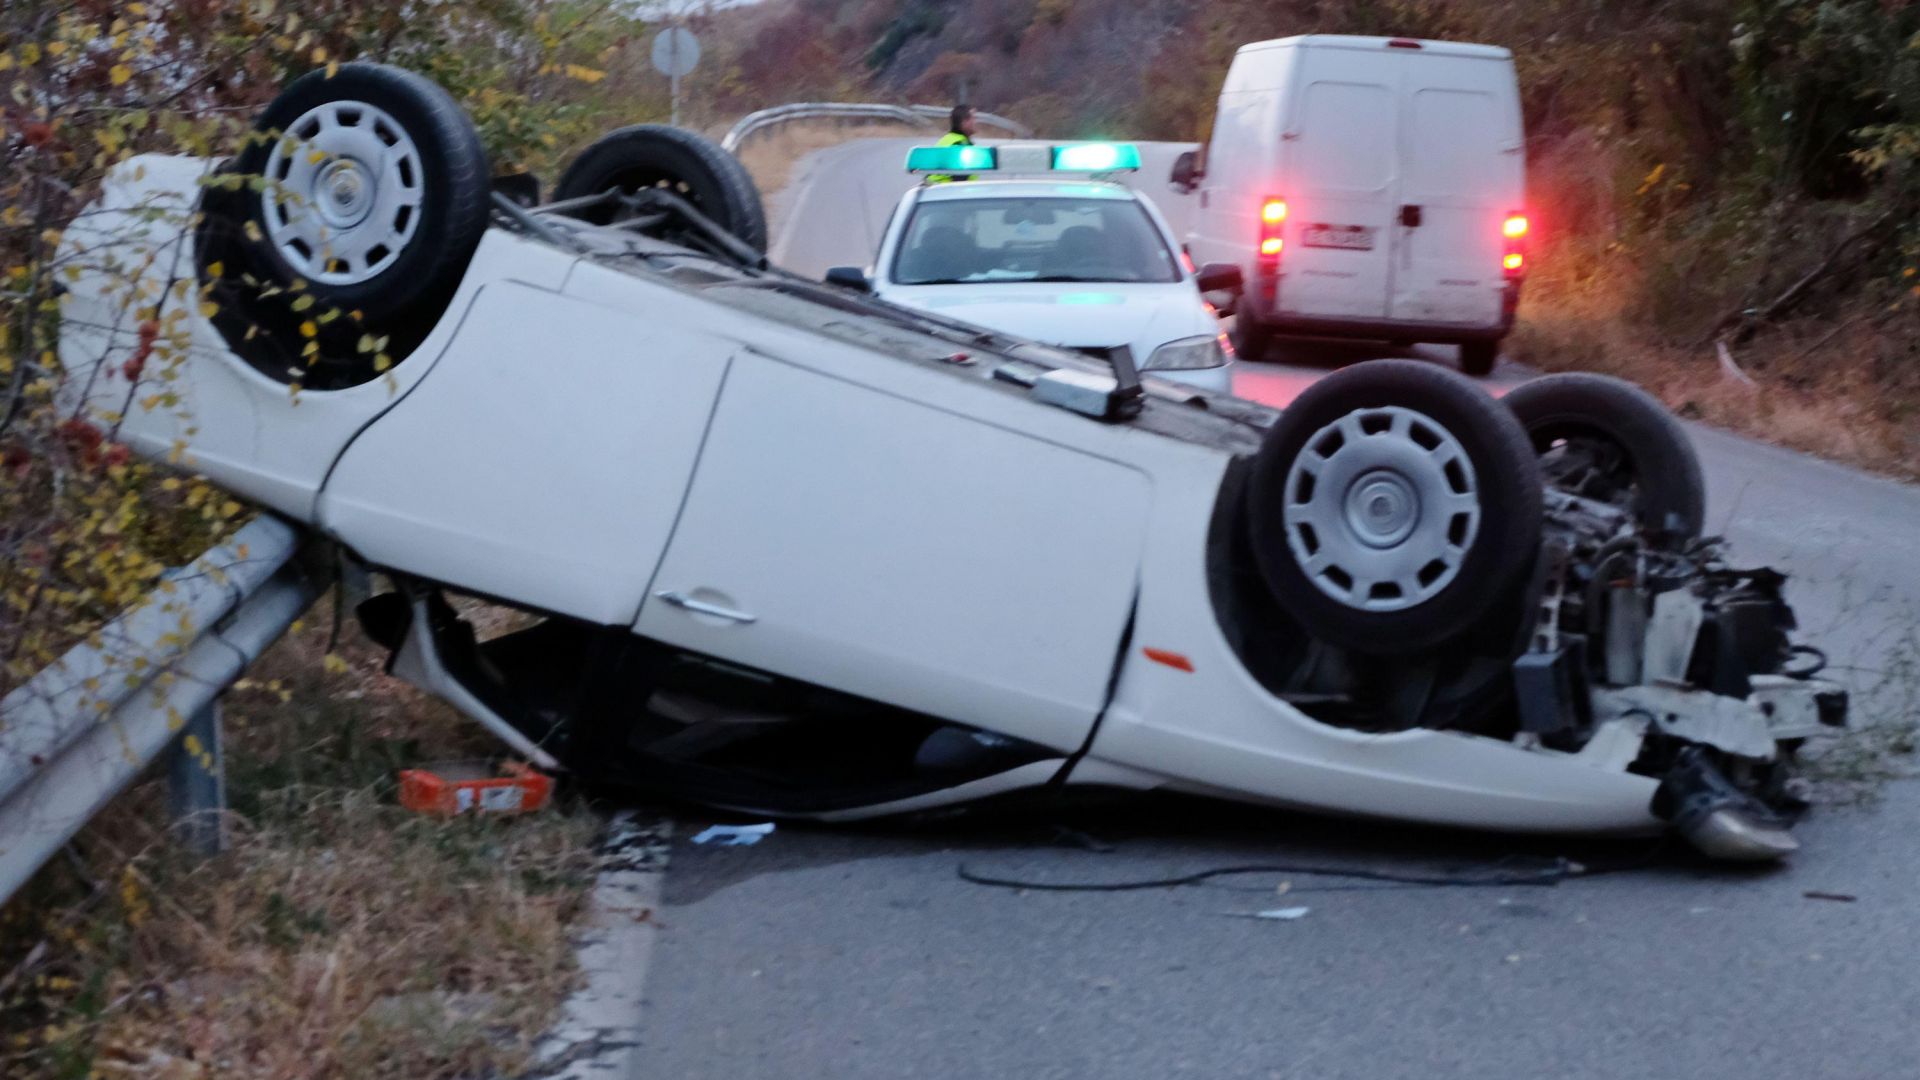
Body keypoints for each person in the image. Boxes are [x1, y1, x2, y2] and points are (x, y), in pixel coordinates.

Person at [926, 104, 978, 184]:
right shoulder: (961, 146)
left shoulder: (946, 140)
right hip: (947, 192)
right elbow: (960, 182)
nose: (975, 122)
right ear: (964, 122)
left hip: (933, 190)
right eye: (973, 119)